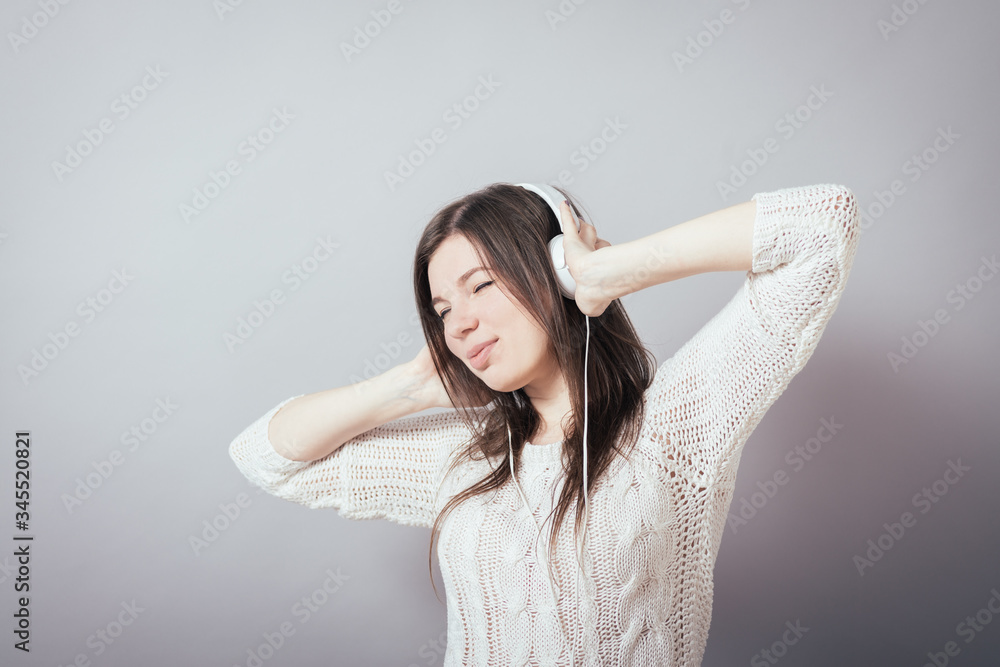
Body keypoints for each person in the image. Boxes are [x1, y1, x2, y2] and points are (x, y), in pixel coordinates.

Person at [228, 182, 861, 666]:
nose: (458, 325)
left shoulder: (675, 426)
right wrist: (409, 388)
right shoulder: (465, 459)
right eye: (443, 309)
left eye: (481, 286)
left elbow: (822, 224)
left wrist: (612, 271)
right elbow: (264, 454)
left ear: (551, 272)